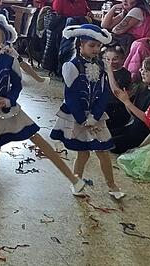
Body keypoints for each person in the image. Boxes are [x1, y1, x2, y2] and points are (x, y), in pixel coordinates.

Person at [0, 14, 84, 199]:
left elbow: (17, 85)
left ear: (3, 38)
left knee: (37, 137)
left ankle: (73, 179)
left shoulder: (10, 60)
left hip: (10, 110)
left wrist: (8, 100)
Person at [51, 24, 126, 199]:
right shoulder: (72, 66)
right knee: (83, 153)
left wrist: (95, 116)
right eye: (91, 45)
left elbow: (104, 92)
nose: (96, 49)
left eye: (98, 46)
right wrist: (82, 119)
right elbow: (71, 96)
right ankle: (76, 182)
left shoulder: (100, 66)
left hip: (96, 116)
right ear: (80, 45)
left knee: (103, 152)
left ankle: (112, 185)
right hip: (77, 115)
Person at [111, 57, 150, 154]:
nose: (142, 72)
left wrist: (127, 102)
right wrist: (126, 101)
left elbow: (148, 120)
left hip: (143, 133)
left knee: (109, 143)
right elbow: (132, 113)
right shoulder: (141, 87)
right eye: (142, 69)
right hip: (133, 126)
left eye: (147, 71)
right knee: (105, 135)